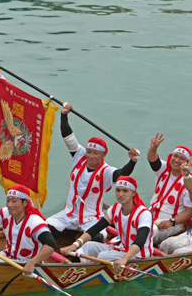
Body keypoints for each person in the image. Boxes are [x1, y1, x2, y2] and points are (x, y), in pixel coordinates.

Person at [45, 103, 140, 241]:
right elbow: (68, 137)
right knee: (42, 230)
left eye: (96, 153)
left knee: (97, 237)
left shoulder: (106, 171)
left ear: (104, 155)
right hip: (69, 214)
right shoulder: (79, 156)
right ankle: (64, 238)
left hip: (92, 217)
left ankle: (79, 250)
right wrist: (64, 115)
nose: (91, 156)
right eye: (89, 152)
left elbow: (122, 175)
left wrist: (132, 161)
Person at [60, 176, 153, 271]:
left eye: (125, 191)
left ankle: (80, 271)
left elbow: (141, 240)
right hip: (122, 249)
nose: (120, 194)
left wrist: (124, 258)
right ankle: (73, 269)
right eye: (118, 190)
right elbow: (96, 228)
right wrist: (75, 244)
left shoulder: (143, 214)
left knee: (102, 256)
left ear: (133, 193)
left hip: (138, 254)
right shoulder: (115, 208)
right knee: (88, 246)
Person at [146, 133, 192, 245]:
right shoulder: (163, 168)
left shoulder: (189, 182)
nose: (176, 160)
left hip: (172, 223)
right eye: (175, 156)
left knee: (148, 231)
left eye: (182, 158)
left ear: (187, 163)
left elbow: (190, 212)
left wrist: (171, 222)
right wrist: (154, 148)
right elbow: (152, 159)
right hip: (151, 215)